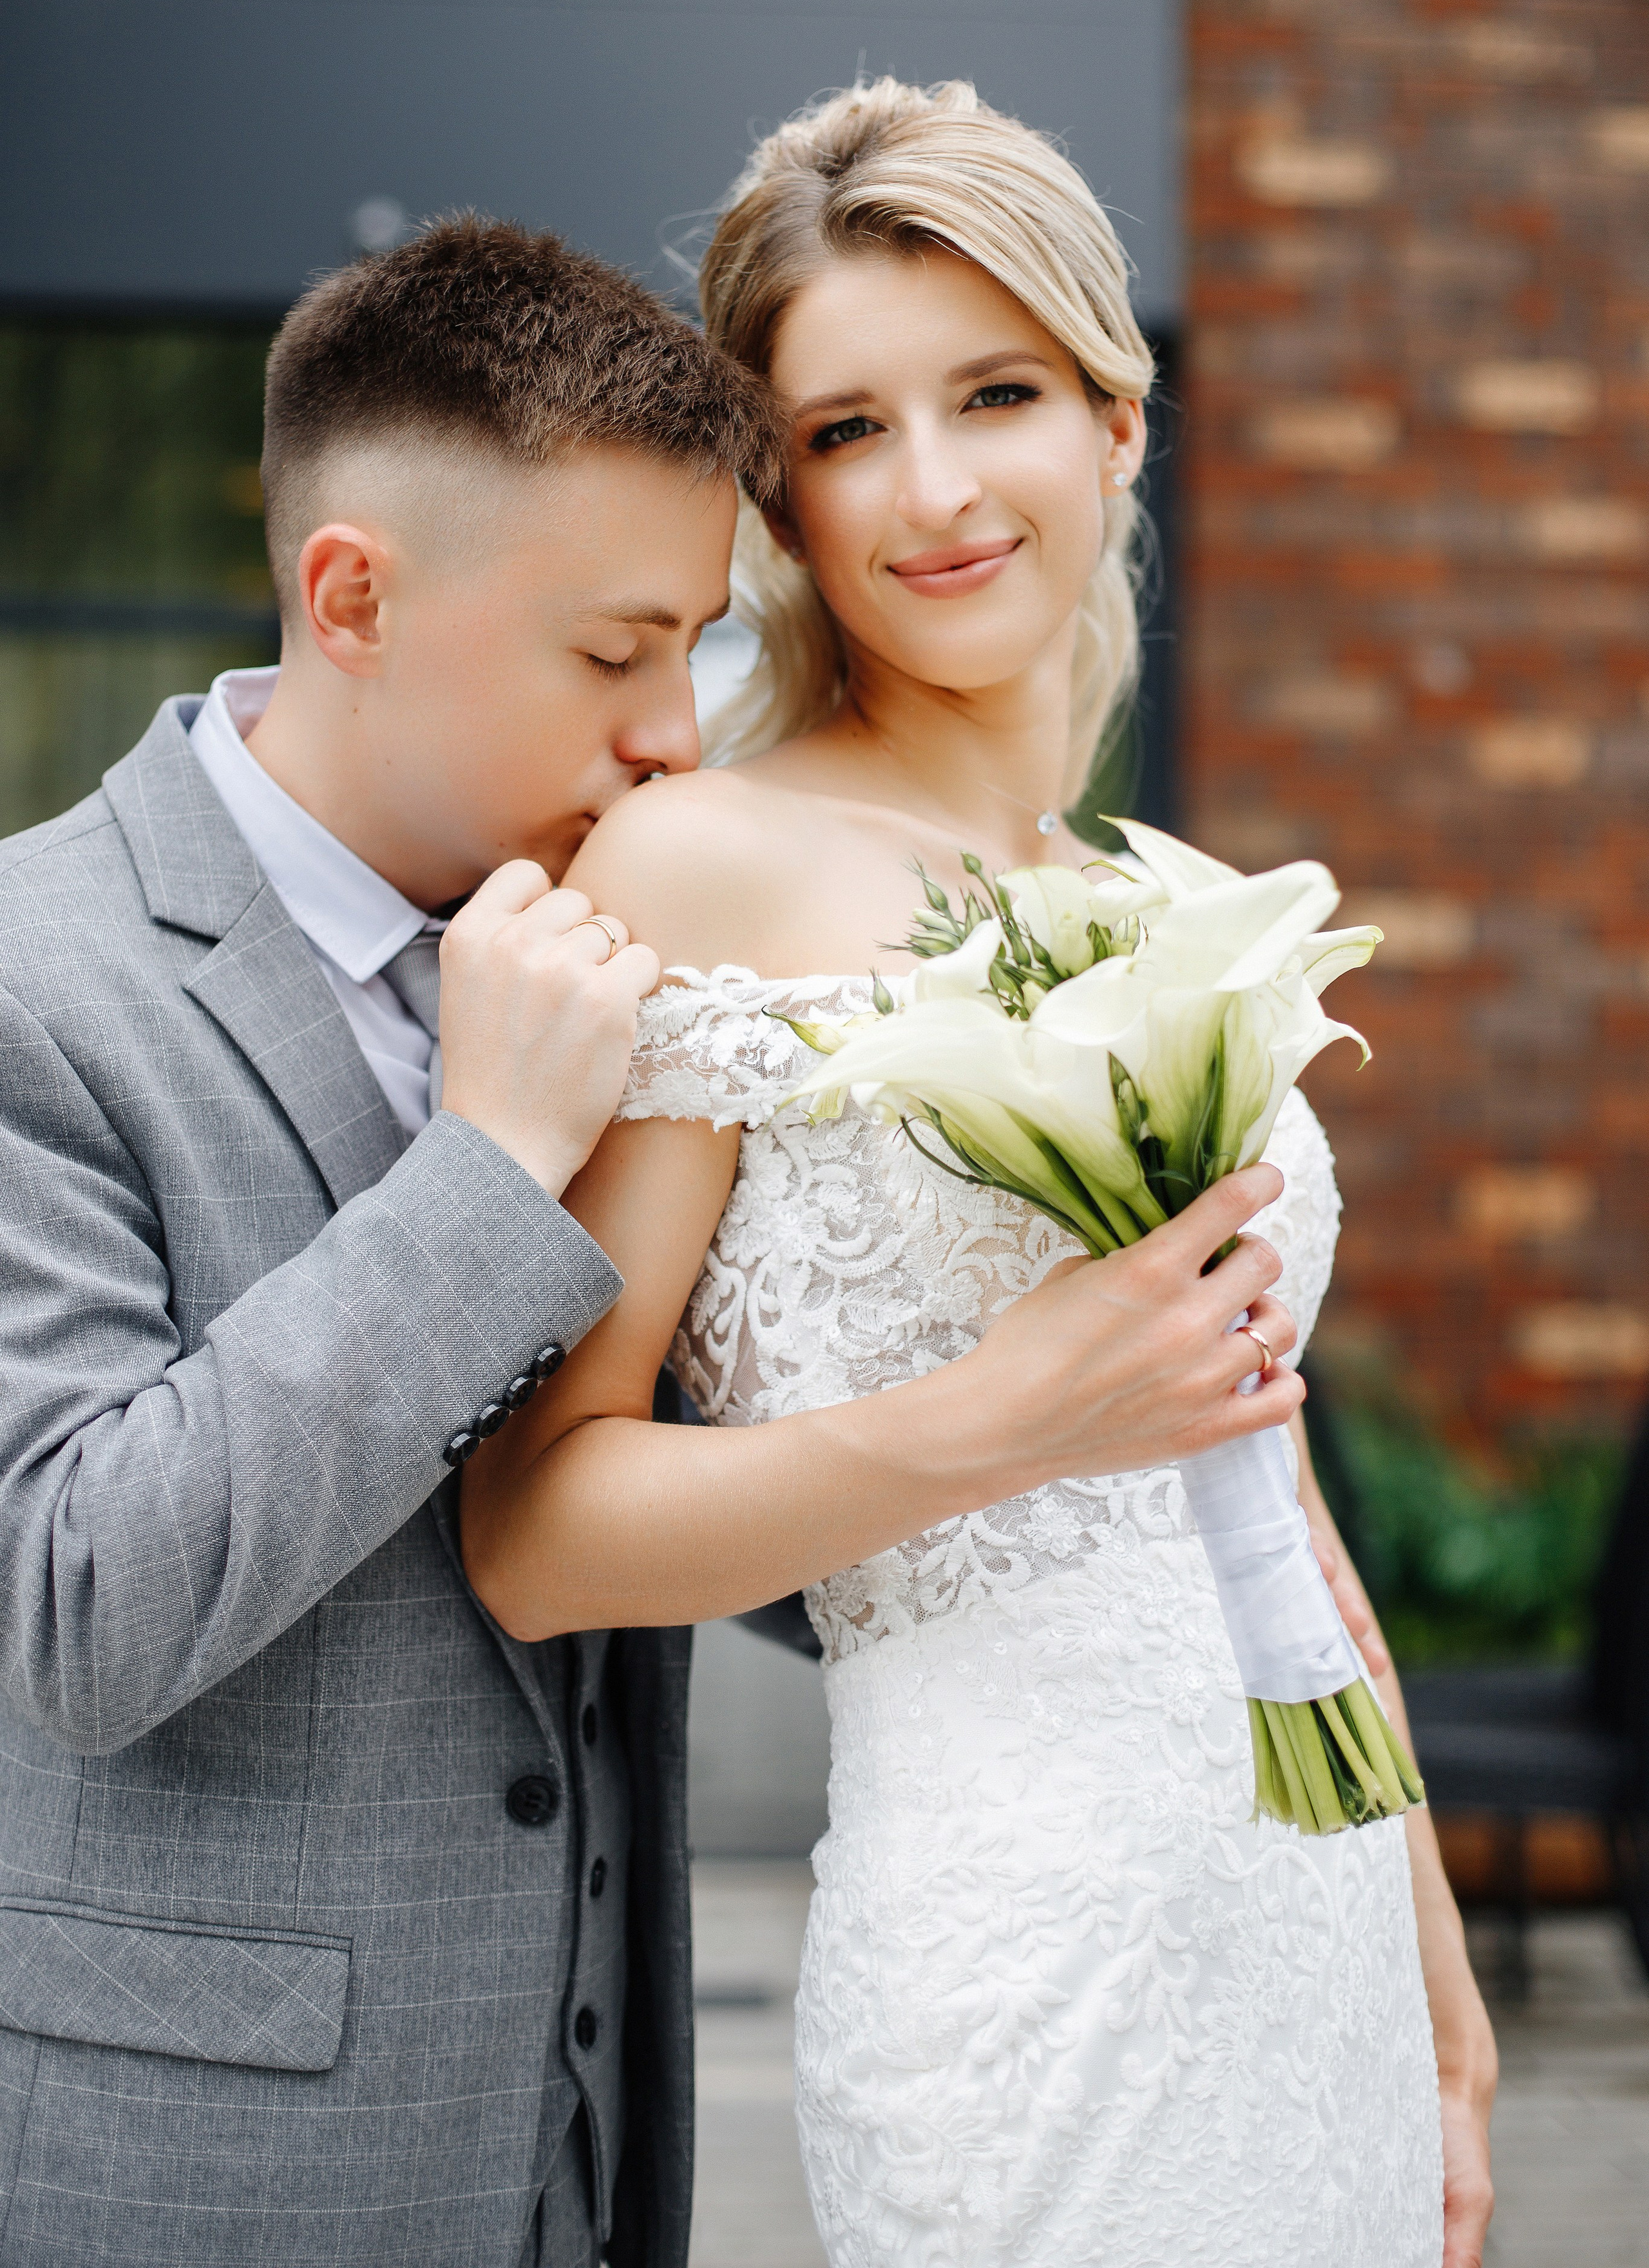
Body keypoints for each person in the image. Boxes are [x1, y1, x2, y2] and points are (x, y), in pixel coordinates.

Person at [0, 213, 1307, 2268]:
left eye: (695, 650)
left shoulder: (616, 945)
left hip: (599, 2173)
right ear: (353, 595)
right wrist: (489, 1170)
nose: (676, 736)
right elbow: (78, 1604)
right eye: (614, 654)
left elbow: (728, 1476)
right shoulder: (39, 975)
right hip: (210, 2171)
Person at [462, 85, 1498, 2268]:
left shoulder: (1164, 898)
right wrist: (1003, 1418)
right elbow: (541, 1532)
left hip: (1310, 1936)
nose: (928, 490)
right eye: (843, 432)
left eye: (995, 393)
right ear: (781, 503)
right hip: (1020, 1972)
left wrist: (1428, 1953)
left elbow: (1267, 1477)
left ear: (1120, 420)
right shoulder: (695, 865)